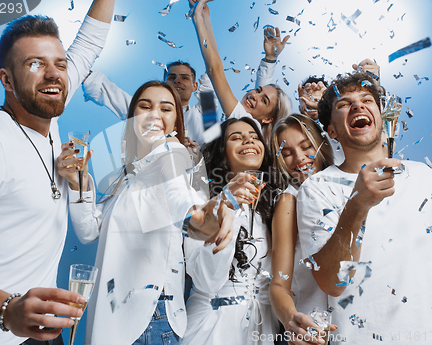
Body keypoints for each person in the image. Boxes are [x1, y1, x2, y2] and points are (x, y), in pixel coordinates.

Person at [0, 2, 115, 344]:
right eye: (35, 64)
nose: (53, 74)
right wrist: (7, 309)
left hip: (44, 330)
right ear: (7, 79)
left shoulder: (45, 111)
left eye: (60, 64)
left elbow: (88, 45)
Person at [61, 80, 236, 344]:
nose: (154, 114)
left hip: (147, 320)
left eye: (166, 109)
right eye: (145, 106)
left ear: (176, 123)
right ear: (132, 118)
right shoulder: (128, 176)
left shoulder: (173, 155)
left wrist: (199, 216)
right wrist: (78, 181)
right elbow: (88, 232)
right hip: (114, 317)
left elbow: (179, 196)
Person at [297, 72, 432, 343]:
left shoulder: (421, 174)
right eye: (343, 104)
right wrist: (357, 206)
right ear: (332, 131)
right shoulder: (317, 189)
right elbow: (332, 283)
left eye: (366, 99)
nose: (358, 106)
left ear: (380, 115)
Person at [183, 117, 280, 345]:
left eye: (255, 137)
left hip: (263, 328)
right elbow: (207, 281)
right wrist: (226, 205)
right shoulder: (200, 201)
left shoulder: (275, 204)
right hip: (212, 328)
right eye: (236, 137)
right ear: (222, 154)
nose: (248, 139)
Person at [268, 114, 336, 345]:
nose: (299, 158)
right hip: (313, 331)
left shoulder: (345, 185)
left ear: (321, 145)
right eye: (286, 153)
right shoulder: (290, 200)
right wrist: (292, 321)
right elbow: (278, 284)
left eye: (306, 147)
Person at [190, 0, 292, 141]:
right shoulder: (238, 127)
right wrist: (205, 18)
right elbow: (213, 69)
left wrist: (197, 18)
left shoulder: (247, 124)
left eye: (264, 100)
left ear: (268, 119)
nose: (254, 95)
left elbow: (215, 70)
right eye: (257, 90)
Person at [82, 60, 217, 146]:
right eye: (171, 77)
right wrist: (77, 67)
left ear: (195, 86)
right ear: (164, 83)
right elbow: (106, 90)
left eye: (184, 78)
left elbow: (213, 70)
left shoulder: (205, 112)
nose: (177, 81)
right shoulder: (146, 114)